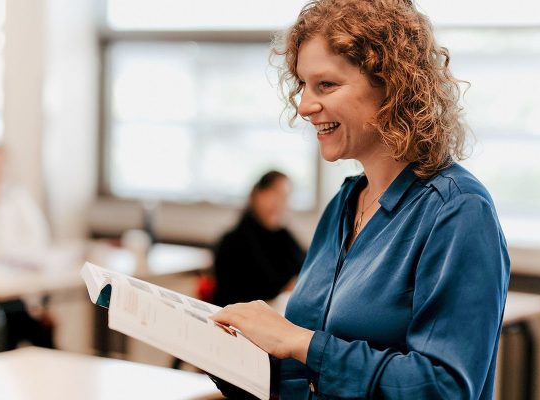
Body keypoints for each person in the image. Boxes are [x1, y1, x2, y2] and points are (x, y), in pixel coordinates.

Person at [210, 0, 510, 399]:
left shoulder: (457, 211)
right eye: (302, 85)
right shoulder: (345, 204)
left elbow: (443, 388)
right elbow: (313, 374)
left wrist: (299, 342)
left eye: (326, 85)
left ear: (392, 85)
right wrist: (233, 359)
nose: (303, 106)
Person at [0, 144, 55, 351]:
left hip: (18, 287)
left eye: (0, 166)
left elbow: (39, 238)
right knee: (9, 321)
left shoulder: (17, 197)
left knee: (38, 327)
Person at [212, 170, 305, 307]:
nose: (281, 204)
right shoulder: (233, 242)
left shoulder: (283, 236)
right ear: (258, 195)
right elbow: (237, 296)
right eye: (276, 195)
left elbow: (306, 268)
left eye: (286, 198)